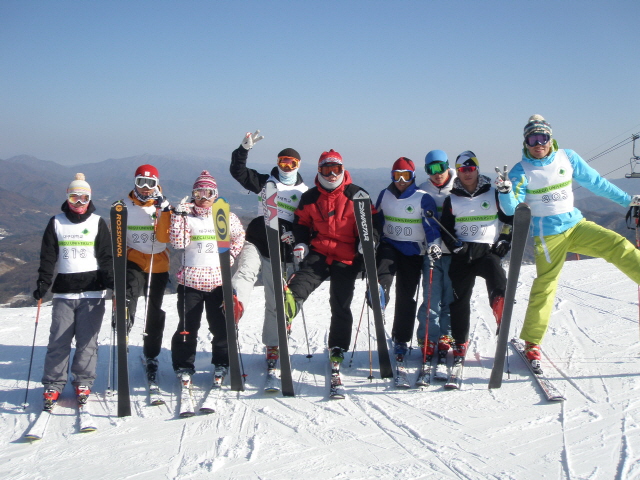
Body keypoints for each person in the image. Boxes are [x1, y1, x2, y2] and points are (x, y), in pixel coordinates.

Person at [497, 114, 640, 372]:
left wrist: (628, 201)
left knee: (617, 245)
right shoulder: (521, 170)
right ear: (526, 142)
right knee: (546, 285)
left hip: (576, 225)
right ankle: (532, 342)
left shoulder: (568, 157)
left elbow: (596, 183)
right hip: (547, 235)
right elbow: (512, 209)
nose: (538, 144)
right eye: (532, 139)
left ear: (550, 138)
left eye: (542, 138)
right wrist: (506, 191)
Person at [285, 149, 380, 365]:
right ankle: (288, 310)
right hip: (319, 252)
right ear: (319, 171)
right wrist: (301, 242)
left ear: (343, 169)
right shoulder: (310, 197)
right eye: (327, 170)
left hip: (346, 257)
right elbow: (301, 222)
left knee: (340, 302)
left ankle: (338, 345)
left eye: (336, 169)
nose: (332, 175)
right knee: (301, 284)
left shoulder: (357, 195)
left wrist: (368, 242)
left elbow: (372, 223)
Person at [229, 130, 308, 373]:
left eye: (291, 163)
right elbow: (238, 172)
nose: (286, 167)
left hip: (281, 251)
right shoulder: (266, 183)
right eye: (282, 162)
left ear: (298, 165)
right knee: (245, 272)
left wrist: (296, 238)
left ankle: (273, 344)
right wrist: (243, 150)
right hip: (257, 240)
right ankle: (234, 303)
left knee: (275, 302)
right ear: (277, 163)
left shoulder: (304, 193)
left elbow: (306, 223)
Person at [33, 173, 113, 409]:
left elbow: (106, 258)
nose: (79, 203)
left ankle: (83, 381)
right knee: (59, 341)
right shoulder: (56, 222)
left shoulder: (97, 222)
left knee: (87, 342)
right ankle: (53, 384)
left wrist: (113, 284)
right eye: (74, 197)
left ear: (90, 199)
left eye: (84, 198)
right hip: (64, 293)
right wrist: (43, 283)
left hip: (92, 292)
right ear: (67, 198)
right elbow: (48, 257)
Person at [169, 171, 245, 381]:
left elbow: (239, 236)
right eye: (198, 193)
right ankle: (184, 365)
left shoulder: (225, 216)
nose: (203, 198)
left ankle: (222, 362)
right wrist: (178, 217)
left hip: (218, 282)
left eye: (208, 193)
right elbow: (178, 243)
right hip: (191, 282)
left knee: (221, 326)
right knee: (188, 327)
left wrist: (231, 255)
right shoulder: (187, 216)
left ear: (215, 194)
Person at [440, 152, 512, 364]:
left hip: (486, 251)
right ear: (457, 172)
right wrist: (455, 246)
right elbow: (445, 228)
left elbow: (509, 218)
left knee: (497, 274)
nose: (467, 173)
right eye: (463, 170)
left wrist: (505, 239)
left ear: (477, 170)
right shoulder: (452, 199)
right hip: (462, 254)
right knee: (459, 300)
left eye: (471, 169)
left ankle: (500, 306)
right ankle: (460, 341)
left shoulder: (493, 194)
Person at [373, 157, 441, 362]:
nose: (401, 181)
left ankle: (401, 339)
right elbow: (377, 220)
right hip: (389, 244)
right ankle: (380, 293)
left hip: (413, 251)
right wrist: (372, 239)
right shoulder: (385, 195)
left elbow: (431, 226)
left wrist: (434, 244)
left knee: (406, 295)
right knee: (384, 267)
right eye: (397, 176)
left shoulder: (422, 198)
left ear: (413, 176)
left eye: (406, 176)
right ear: (392, 176)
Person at [123, 164, 172, 382]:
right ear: (134, 182)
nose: (145, 187)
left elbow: (165, 237)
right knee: (129, 297)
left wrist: (164, 212)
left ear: (157, 184)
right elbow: (117, 236)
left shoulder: (164, 206)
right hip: (133, 259)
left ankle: (151, 353)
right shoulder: (124, 206)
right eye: (140, 182)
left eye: (150, 183)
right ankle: (123, 331)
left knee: (154, 309)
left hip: (158, 263)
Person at [416, 150, 457, 368]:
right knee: (431, 298)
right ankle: (428, 338)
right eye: (431, 169)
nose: (437, 173)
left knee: (450, 298)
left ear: (447, 166)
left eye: (441, 167)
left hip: (453, 253)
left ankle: (446, 335)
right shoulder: (422, 190)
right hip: (430, 253)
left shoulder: (459, 185)